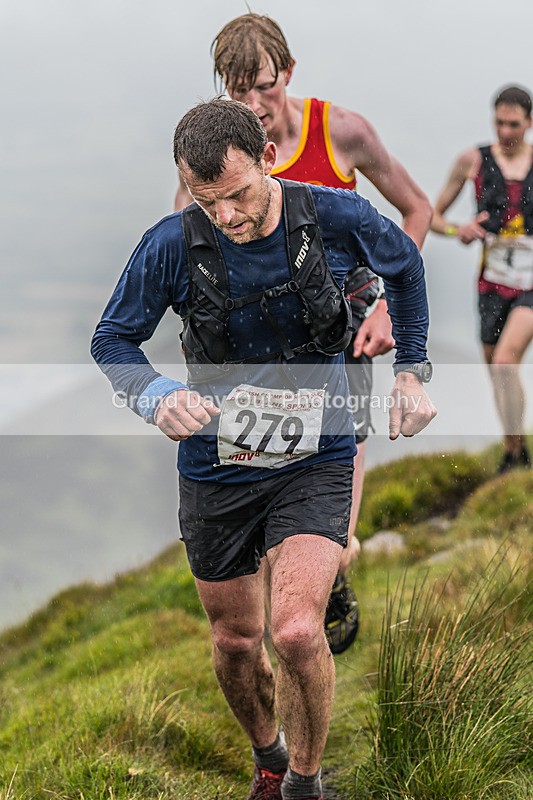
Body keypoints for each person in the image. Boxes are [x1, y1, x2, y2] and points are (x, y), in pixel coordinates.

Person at [92, 99, 436, 800]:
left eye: (239, 194)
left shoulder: (333, 217)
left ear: (269, 160)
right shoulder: (170, 243)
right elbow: (111, 340)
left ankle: (304, 785)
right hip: (219, 466)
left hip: (316, 453)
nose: (227, 217)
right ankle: (269, 757)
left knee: (298, 631)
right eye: (206, 200)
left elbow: (403, 267)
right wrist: (155, 396)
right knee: (236, 642)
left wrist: (410, 370)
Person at [174, 12, 432, 655]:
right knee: (260, 519)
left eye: (264, 85)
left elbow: (417, 210)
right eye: (237, 90)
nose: (254, 104)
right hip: (258, 360)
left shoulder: (340, 131)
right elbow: (186, 242)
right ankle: (280, 639)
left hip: (344, 342)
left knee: (335, 536)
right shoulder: (219, 157)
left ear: (288, 72)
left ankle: (331, 583)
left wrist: (387, 314)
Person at [431, 84, 533, 473]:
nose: (506, 132)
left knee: (506, 363)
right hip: (491, 283)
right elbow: (434, 216)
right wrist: (461, 231)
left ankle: (515, 454)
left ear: (529, 123)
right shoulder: (472, 161)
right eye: (499, 123)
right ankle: (515, 449)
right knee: (496, 371)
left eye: (514, 125)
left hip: (530, 286)